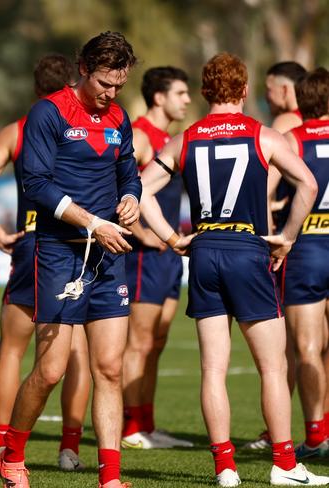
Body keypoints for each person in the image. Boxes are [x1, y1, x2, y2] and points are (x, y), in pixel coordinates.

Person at [139, 52, 327, 486]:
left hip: (204, 249)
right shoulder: (262, 135)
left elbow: (143, 188)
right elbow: (308, 184)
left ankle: (225, 468)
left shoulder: (185, 138)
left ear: (205, 92)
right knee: (274, 367)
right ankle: (284, 464)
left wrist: (171, 237)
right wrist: (289, 236)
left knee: (213, 369)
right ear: (244, 91)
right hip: (247, 247)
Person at [0, 31, 141, 488]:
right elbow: (35, 184)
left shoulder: (119, 117)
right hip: (59, 253)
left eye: (118, 85)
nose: (110, 94)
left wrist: (131, 199)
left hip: (108, 255)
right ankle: (12, 454)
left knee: (110, 369)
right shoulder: (48, 112)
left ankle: (110, 477)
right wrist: (91, 222)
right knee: (52, 369)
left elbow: (128, 171)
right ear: (83, 69)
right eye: (103, 83)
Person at [0, 53, 92, 471]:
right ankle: (70, 448)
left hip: (33, 240)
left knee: (12, 349)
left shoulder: (20, 128)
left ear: (35, 88)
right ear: (72, 85)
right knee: (76, 351)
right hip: (73, 244)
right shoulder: (83, 125)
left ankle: (0, 443)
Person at [122, 66, 192, 449]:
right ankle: (129, 428)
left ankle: (146, 424)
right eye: (180, 93)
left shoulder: (171, 138)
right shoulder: (140, 136)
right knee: (139, 342)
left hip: (167, 254)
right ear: (159, 97)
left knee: (158, 341)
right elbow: (117, 185)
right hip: (144, 256)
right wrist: (140, 232)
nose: (186, 100)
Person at [246, 61, 308, 450]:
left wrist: (270, 236)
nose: (267, 97)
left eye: (270, 89)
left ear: (286, 91)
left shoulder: (285, 125)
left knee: (289, 348)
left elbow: (266, 187)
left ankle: (276, 433)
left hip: (299, 246)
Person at [269, 68, 329, 459]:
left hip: (306, 249)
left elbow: (265, 185)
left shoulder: (292, 138)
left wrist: (274, 225)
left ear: (300, 100)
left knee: (306, 349)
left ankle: (314, 435)